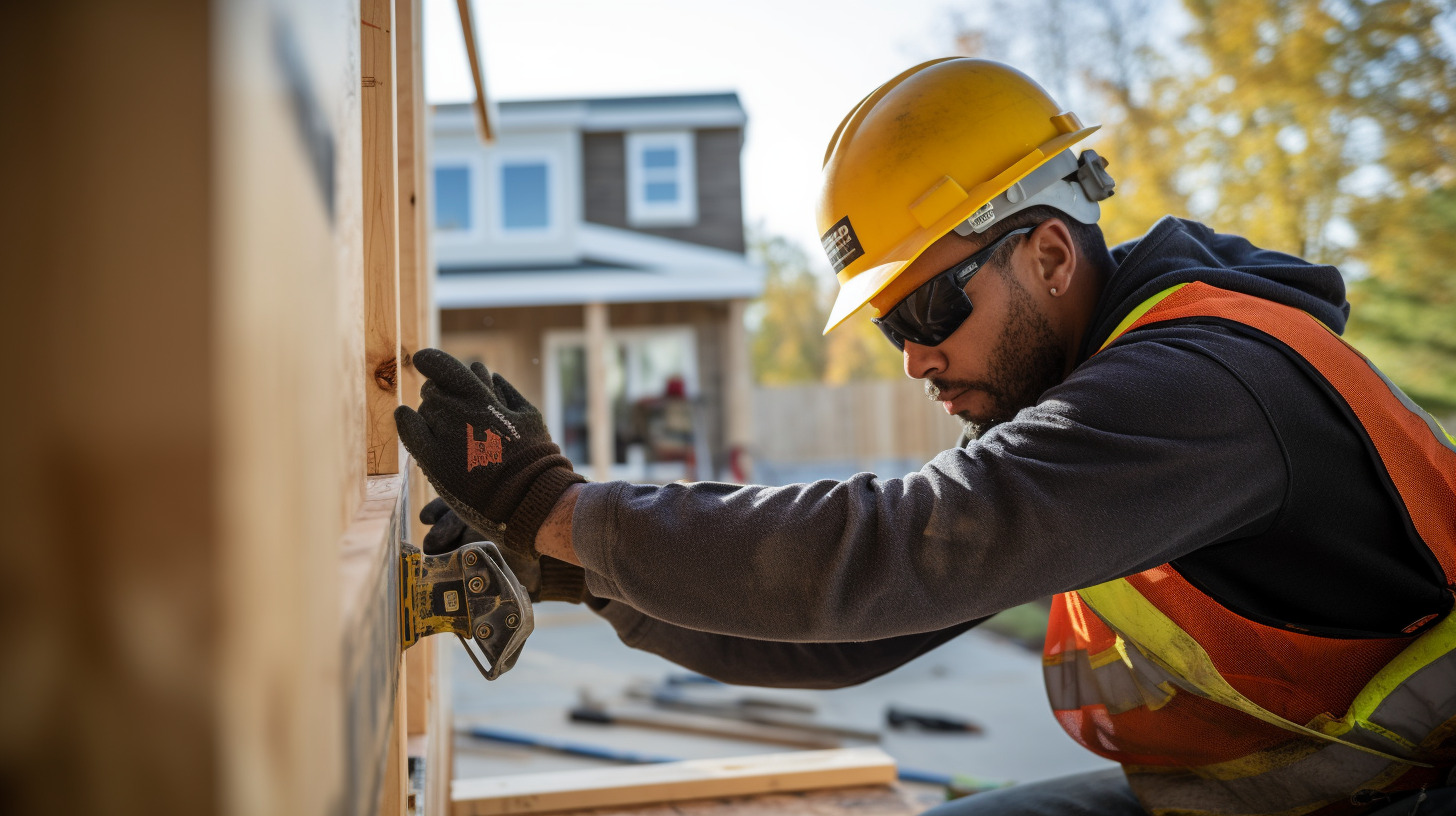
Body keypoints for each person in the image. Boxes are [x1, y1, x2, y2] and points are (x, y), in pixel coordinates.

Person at [395, 58, 1456, 816]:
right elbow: (855, 630)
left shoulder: (1200, 388)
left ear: (1048, 253)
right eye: (892, 327)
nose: (913, 357)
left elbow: (898, 544)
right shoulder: (1105, 407)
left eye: (929, 311)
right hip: (1306, 782)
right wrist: (574, 569)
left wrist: (554, 506)